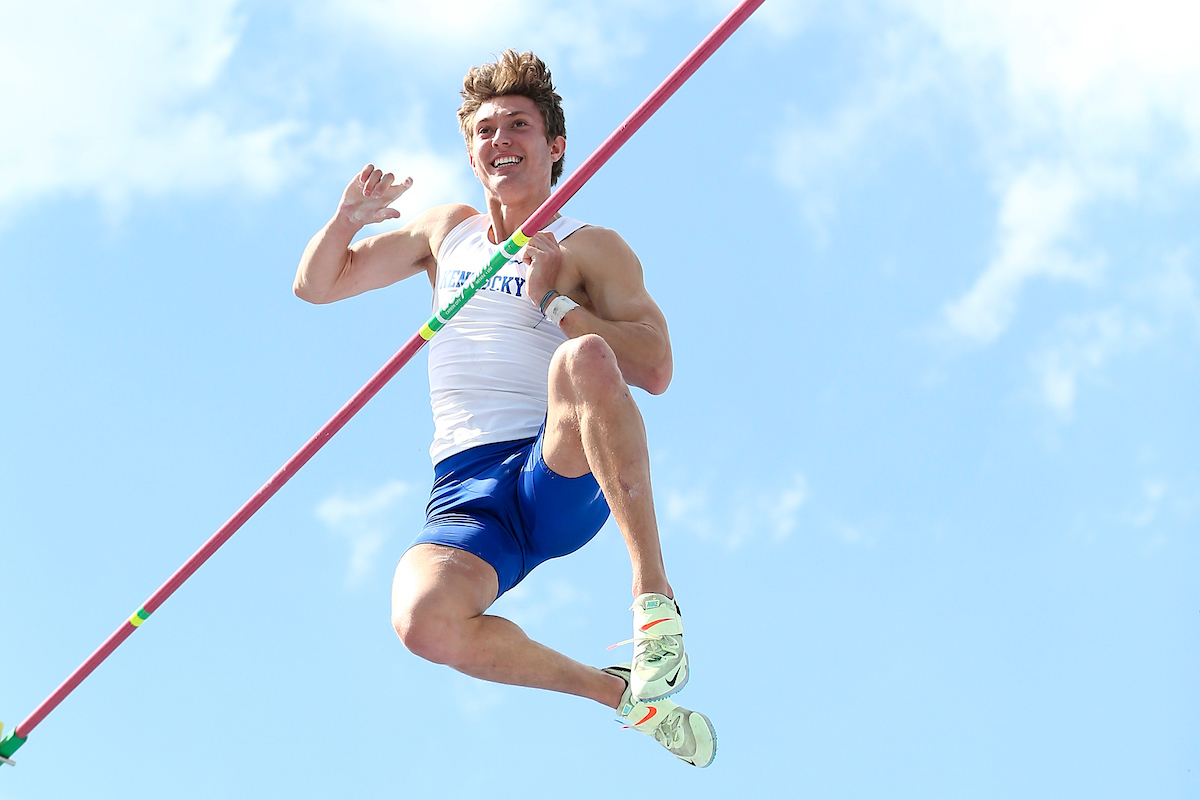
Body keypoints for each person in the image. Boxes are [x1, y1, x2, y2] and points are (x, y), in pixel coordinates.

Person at [294, 50, 714, 767]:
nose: (500, 141)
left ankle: (654, 604)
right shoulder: (444, 233)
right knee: (423, 621)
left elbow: (655, 367)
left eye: (518, 125)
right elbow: (318, 285)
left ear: (553, 146)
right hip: (467, 491)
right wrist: (346, 220)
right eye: (486, 130)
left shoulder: (591, 248)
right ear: (470, 151)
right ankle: (618, 696)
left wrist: (554, 299)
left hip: (557, 464)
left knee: (580, 358)